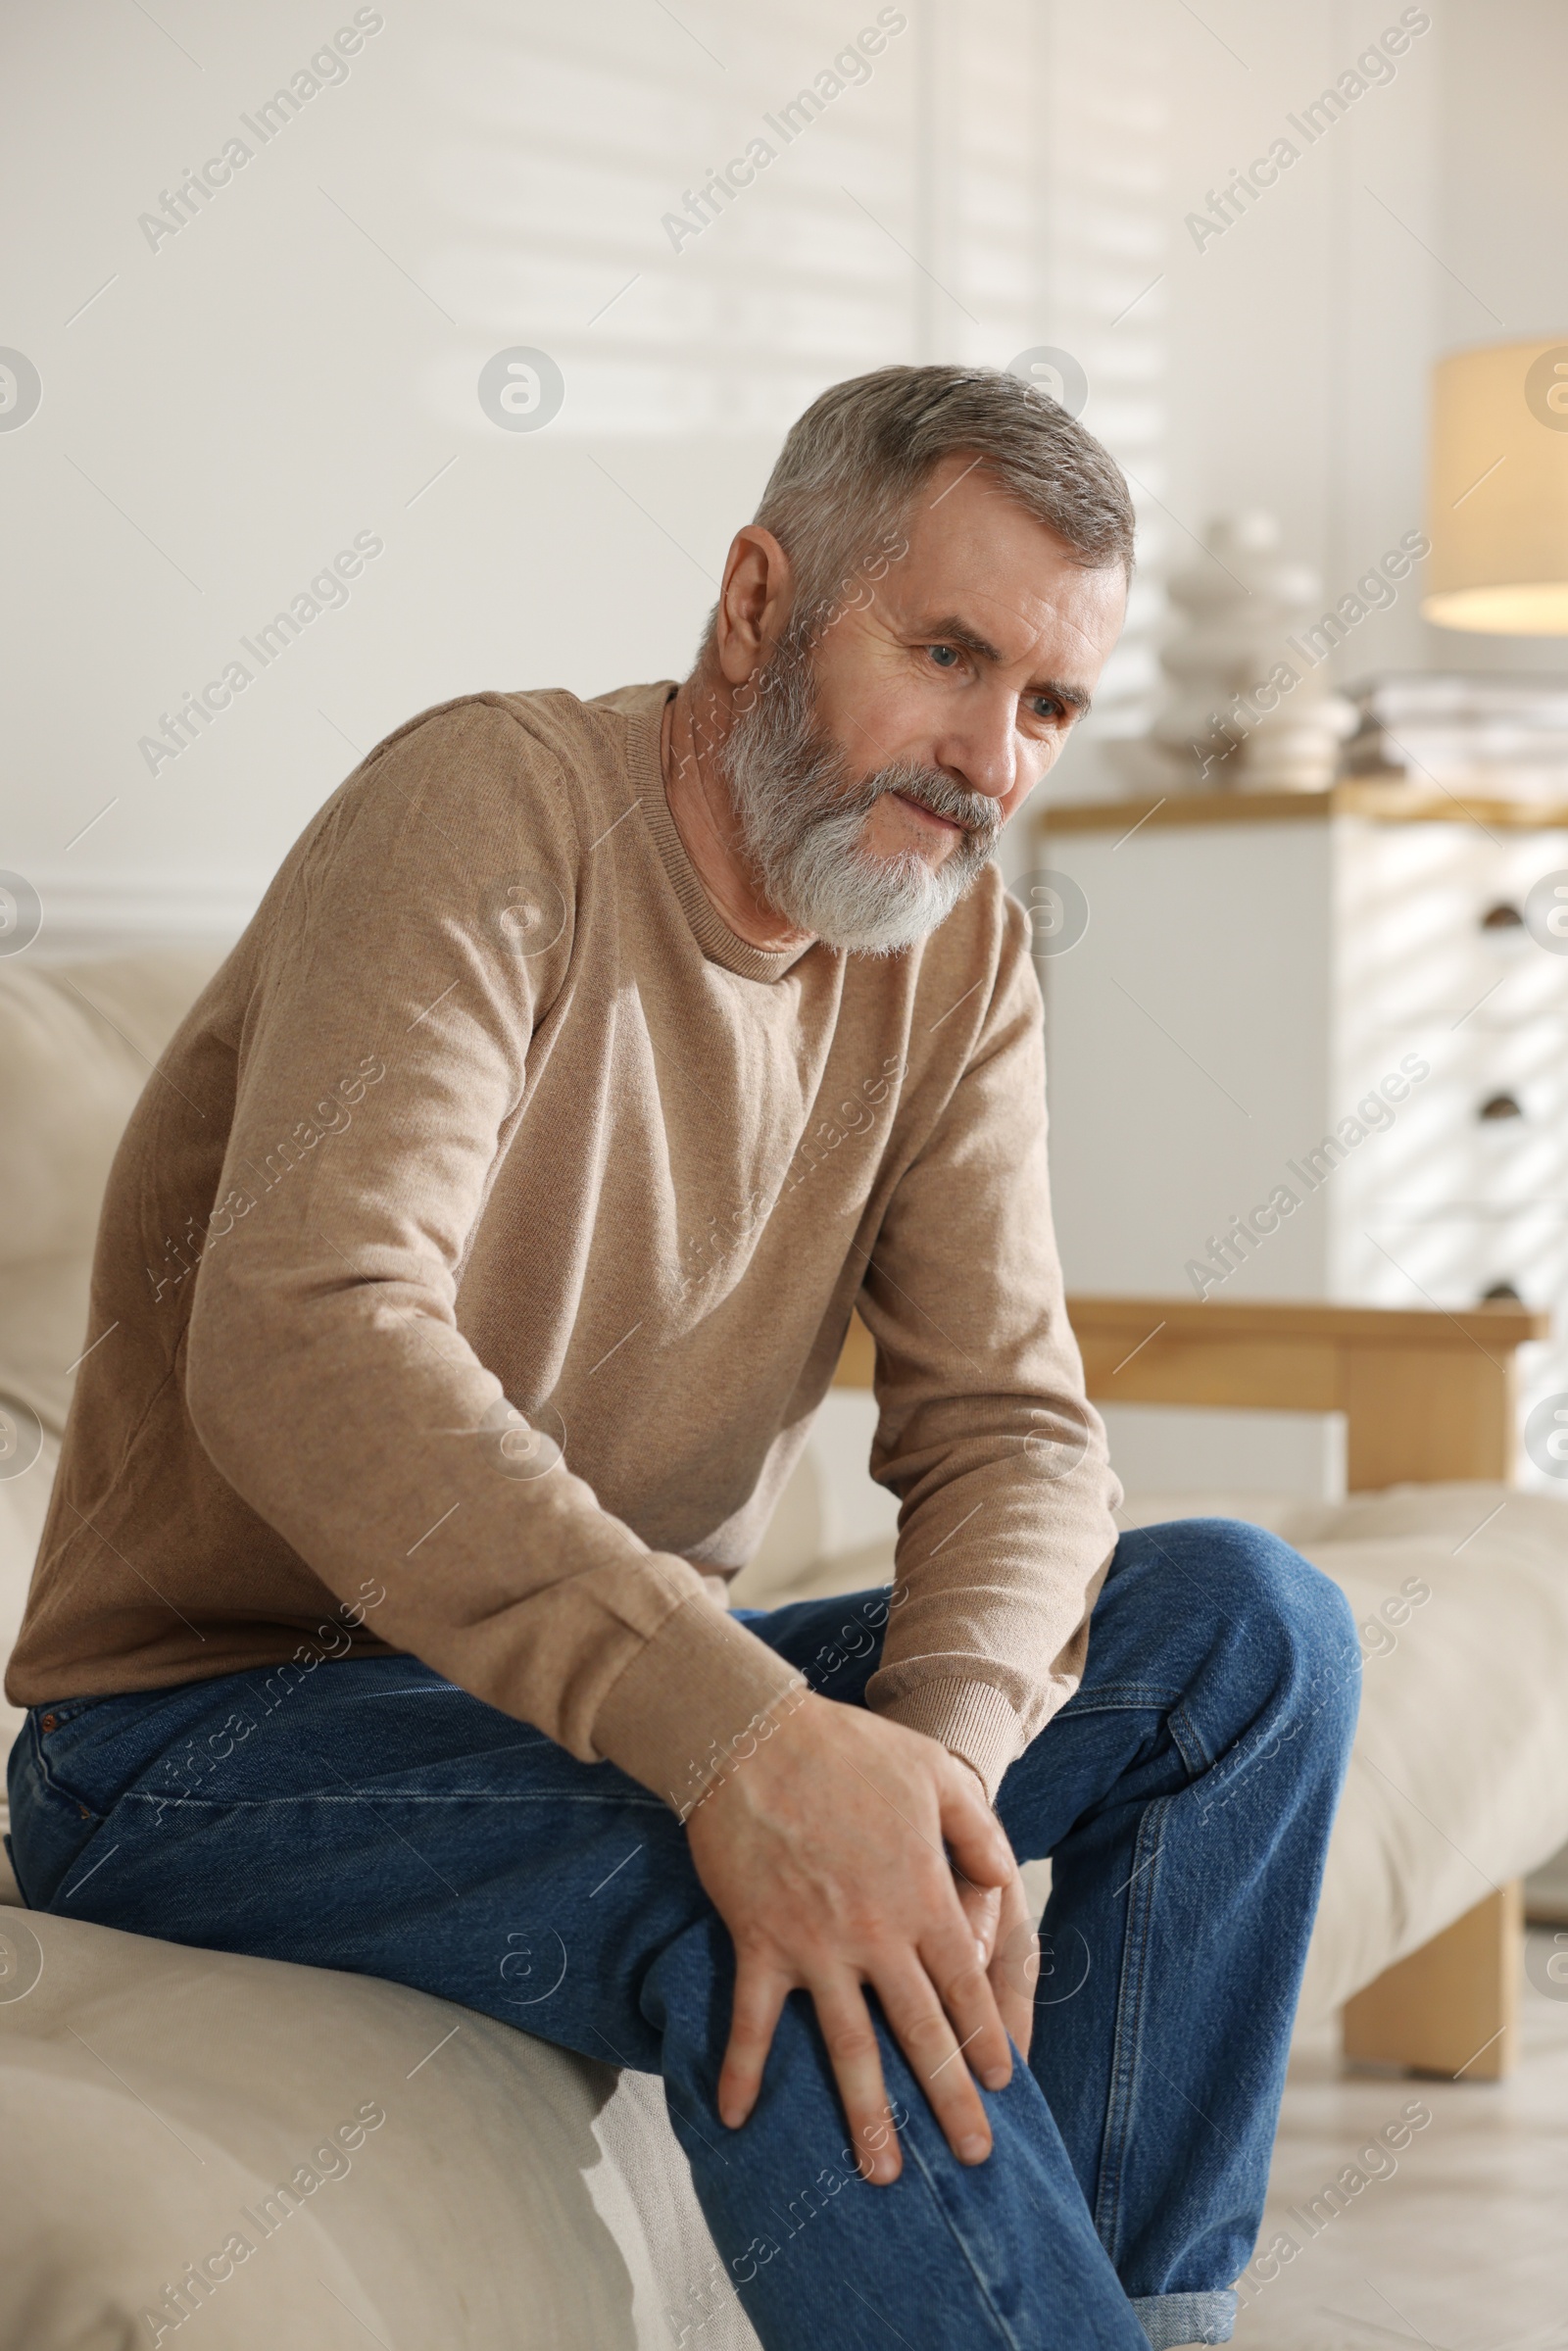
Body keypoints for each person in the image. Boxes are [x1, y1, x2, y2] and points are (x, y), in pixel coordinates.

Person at [7, 364, 1358, 2350]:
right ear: (755, 603)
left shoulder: (949, 950)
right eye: (947, 653)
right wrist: (735, 1743)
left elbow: (1010, 1429)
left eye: (1045, 704)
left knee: (1244, 1636)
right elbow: (311, 1336)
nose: (990, 756)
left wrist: (929, 1770)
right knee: (788, 1904)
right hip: (206, 1739)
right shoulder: (486, 811)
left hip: (575, 1704)